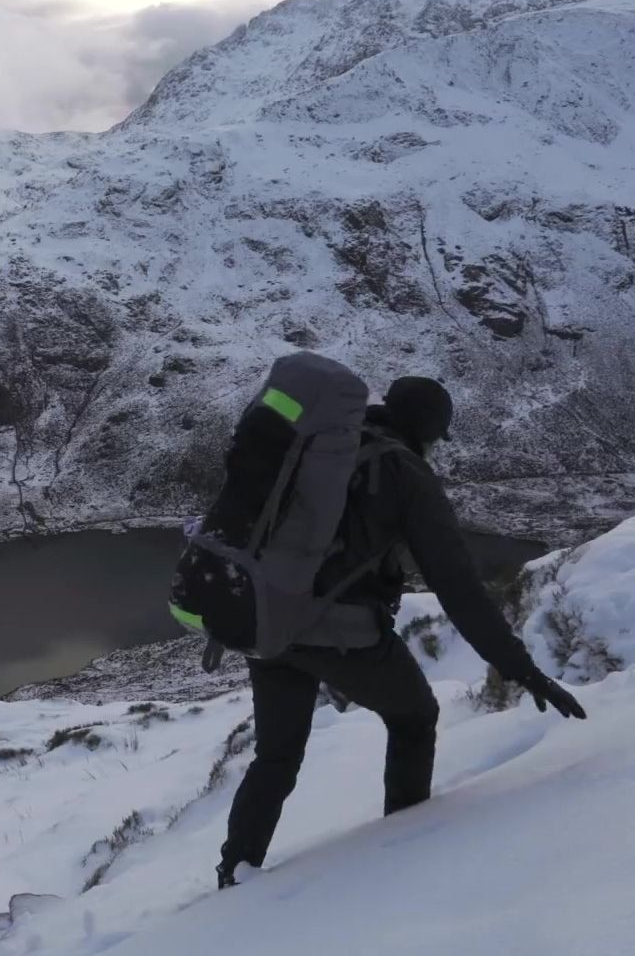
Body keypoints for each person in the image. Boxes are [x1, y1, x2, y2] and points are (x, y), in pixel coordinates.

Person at [217, 376, 586, 889]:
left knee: (276, 756)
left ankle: (233, 874)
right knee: (415, 718)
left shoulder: (320, 444)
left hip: (266, 623)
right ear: (428, 430)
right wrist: (520, 668)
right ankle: (404, 847)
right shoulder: (403, 470)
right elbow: (457, 586)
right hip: (339, 633)